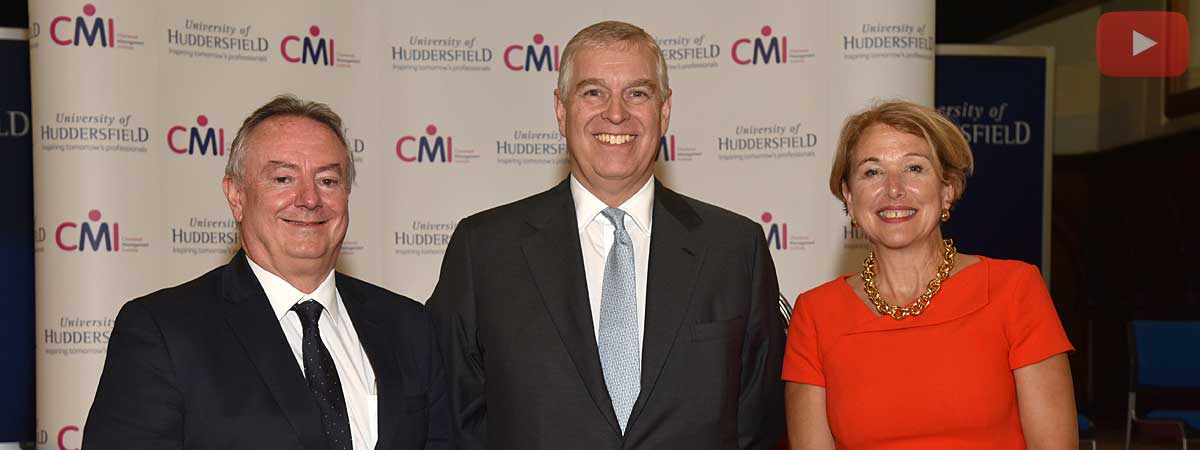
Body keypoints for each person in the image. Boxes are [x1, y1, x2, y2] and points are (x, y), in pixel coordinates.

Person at [427, 20, 785, 450]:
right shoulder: (483, 249)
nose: (616, 113)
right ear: (561, 110)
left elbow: (758, 420)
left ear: (664, 111)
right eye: (593, 92)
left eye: (637, 93)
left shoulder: (735, 249)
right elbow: (453, 415)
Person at [84, 95, 450, 450]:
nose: (309, 199)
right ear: (236, 196)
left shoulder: (409, 326)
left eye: (328, 180)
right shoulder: (164, 332)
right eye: (283, 179)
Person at [783, 100, 1077, 449]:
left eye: (914, 169)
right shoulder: (815, 314)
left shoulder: (1014, 289)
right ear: (849, 196)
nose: (894, 189)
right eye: (872, 172)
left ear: (947, 190)